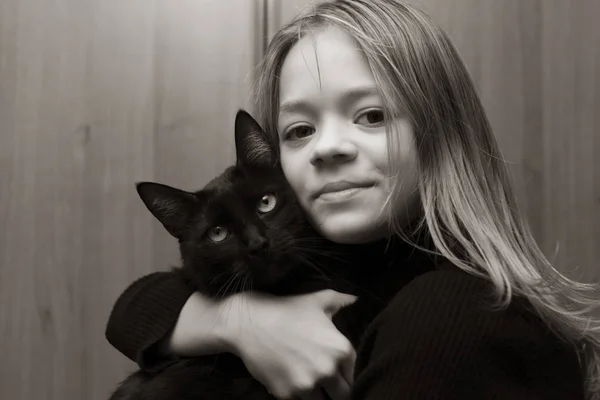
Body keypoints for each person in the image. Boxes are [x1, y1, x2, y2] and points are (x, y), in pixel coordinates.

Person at [105, 1, 600, 399]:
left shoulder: (446, 315)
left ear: (439, 133)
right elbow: (135, 306)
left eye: (371, 116)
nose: (328, 147)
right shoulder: (315, 264)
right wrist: (243, 323)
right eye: (300, 130)